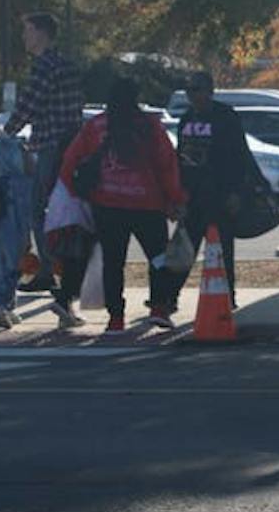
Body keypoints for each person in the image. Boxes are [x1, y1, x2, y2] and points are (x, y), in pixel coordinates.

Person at [59, 77, 186, 334]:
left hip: (107, 206)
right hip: (148, 205)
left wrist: (75, 192)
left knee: (113, 263)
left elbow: (70, 161)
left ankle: (115, 317)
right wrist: (175, 199)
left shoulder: (96, 127)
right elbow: (167, 165)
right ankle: (159, 308)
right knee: (159, 258)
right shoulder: (150, 127)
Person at [169, 70, 267, 317]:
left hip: (220, 195)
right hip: (192, 197)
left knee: (222, 250)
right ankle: (168, 299)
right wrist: (178, 195)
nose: (194, 96)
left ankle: (227, 297)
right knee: (184, 249)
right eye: (190, 91)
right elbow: (180, 159)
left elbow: (240, 156)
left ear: (210, 91)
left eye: (198, 90)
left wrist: (236, 191)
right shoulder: (186, 119)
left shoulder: (225, 117)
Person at [4, 12, 83, 295]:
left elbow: (29, 104)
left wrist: (7, 132)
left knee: (38, 210)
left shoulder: (44, 66)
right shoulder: (67, 65)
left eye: (27, 31)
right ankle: (71, 268)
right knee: (69, 210)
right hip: (72, 145)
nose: (24, 37)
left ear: (41, 33)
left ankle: (47, 270)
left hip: (50, 144)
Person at [0, 133, 33, 329]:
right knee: (16, 263)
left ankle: (7, 306)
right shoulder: (23, 183)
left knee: (1, 263)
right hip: (16, 223)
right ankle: (1, 302)